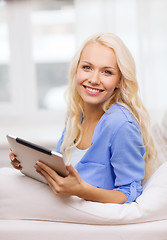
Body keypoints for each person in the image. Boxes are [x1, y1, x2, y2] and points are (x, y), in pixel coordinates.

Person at [9, 33, 156, 204]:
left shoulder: (121, 124)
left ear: (119, 81)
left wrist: (82, 191)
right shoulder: (75, 116)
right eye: (87, 67)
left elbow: (130, 194)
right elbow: (66, 174)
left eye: (107, 72)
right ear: (76, 69)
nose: (93, 79)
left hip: (90, 220)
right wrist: (30, 164)